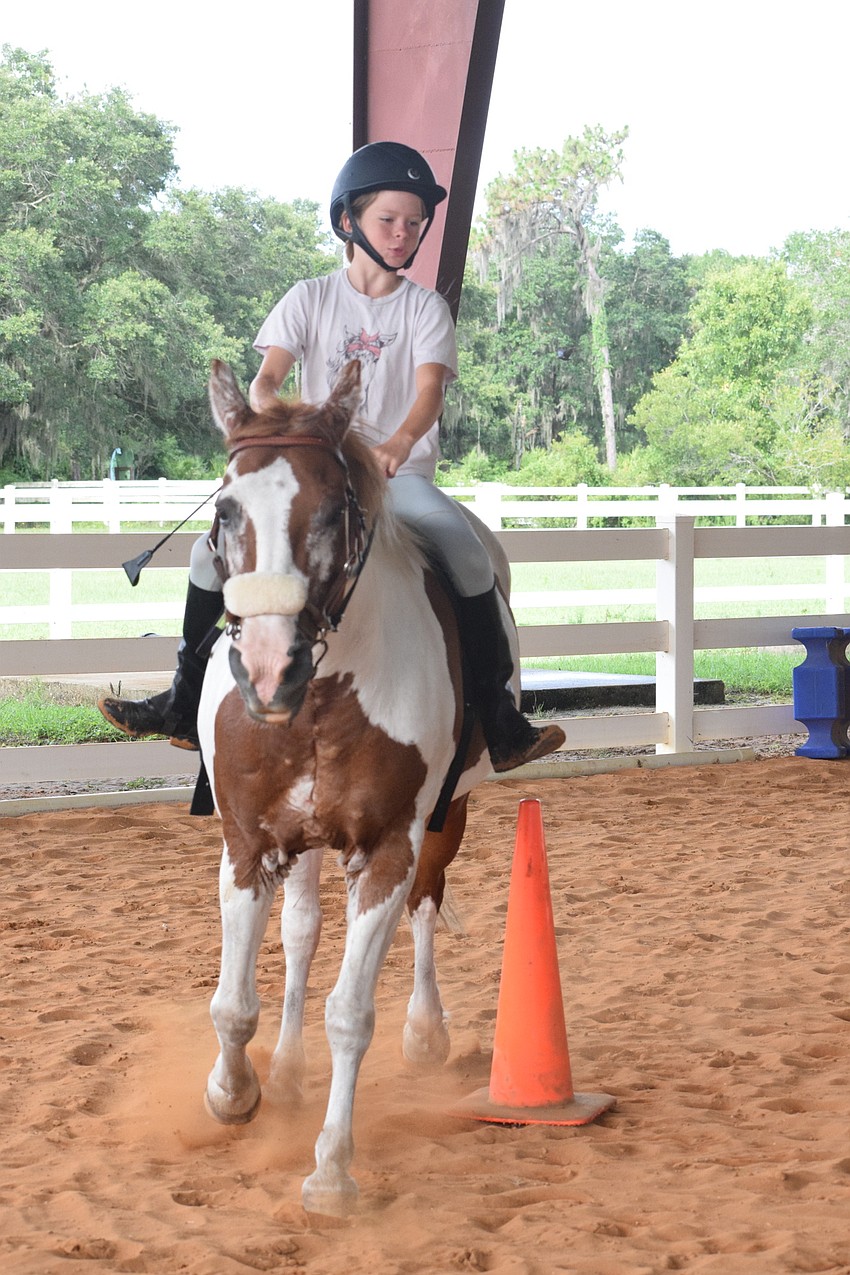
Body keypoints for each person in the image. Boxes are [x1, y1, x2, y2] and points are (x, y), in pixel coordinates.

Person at [98, 141, 565, 773]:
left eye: (414, 223)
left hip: (397, 478)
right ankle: (183, 701)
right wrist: (284, 428)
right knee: (205, 552)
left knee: (465, 550)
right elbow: (266, 382)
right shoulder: (309, 298)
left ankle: (501, 718)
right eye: (388, 220)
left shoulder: (425, 308)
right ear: (350, 222)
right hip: (313, 475)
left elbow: (429, 392)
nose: (403, 234)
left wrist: (397, 444)